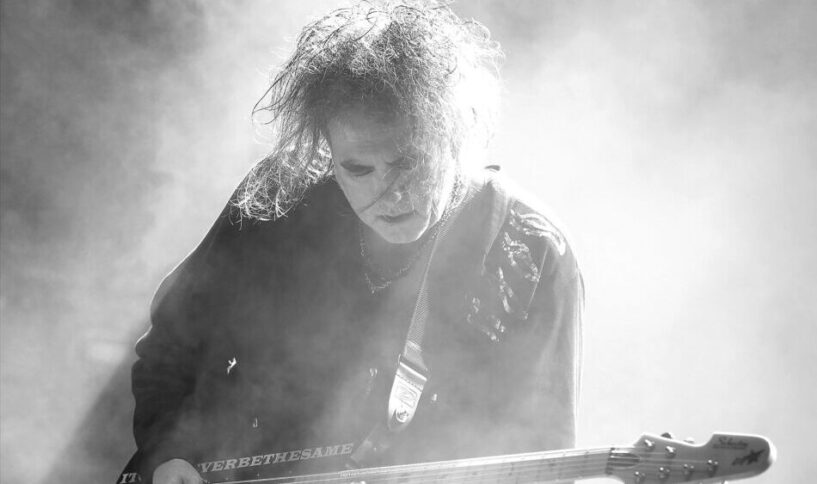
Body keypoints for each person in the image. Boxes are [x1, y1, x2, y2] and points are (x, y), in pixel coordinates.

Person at [124, 2, 583, 483]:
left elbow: (543, 452)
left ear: (455, 138)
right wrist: (169, 454)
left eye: (409, 162)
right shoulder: (282, 195)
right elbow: (171, 344)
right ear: (328, 152)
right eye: (359, 169)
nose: (391, 193)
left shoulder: (530, 249)